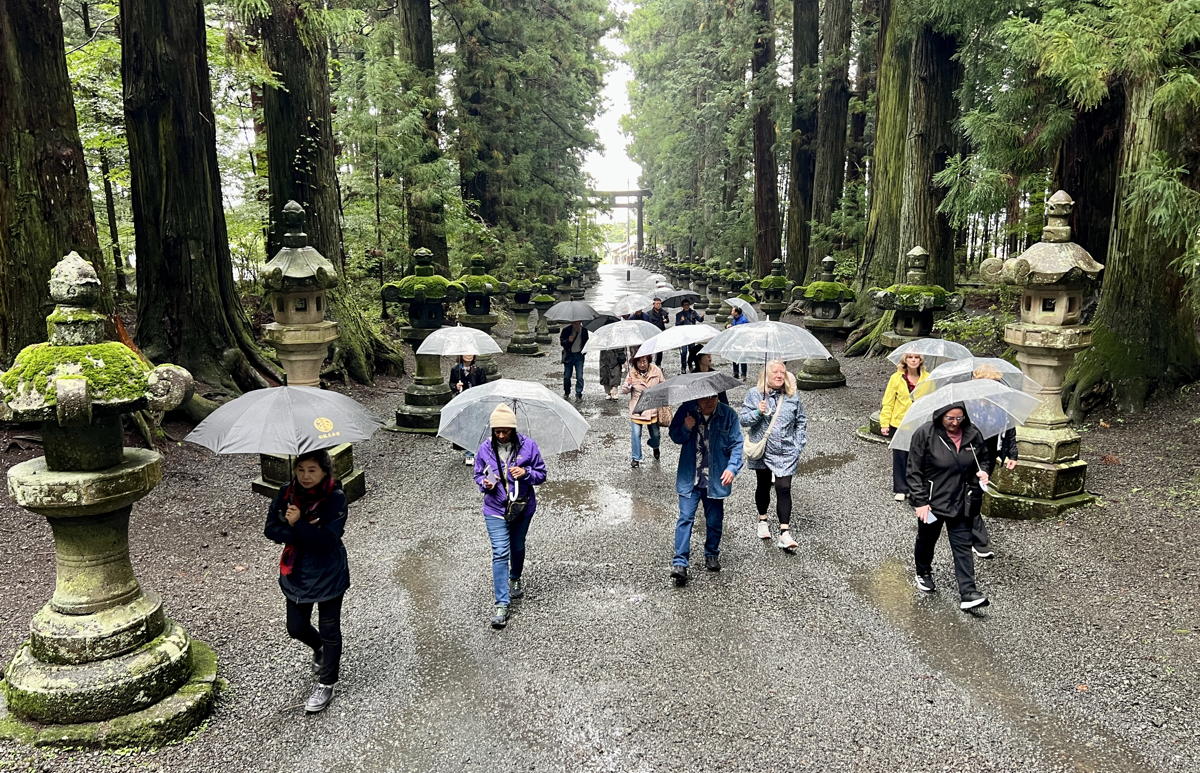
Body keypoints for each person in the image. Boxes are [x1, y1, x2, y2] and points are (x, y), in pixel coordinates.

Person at [263, 450, 349, 714]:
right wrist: (299, 528)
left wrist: (299, 525)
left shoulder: (335, 497)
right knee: (296, 627)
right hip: (297, 570)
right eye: (300, 469)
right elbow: (270, 529)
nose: (305, 476)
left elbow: (328, 541)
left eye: (312, 470)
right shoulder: (286, 493)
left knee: (329, 628)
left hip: (328, 570)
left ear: (324, 471)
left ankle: (326, 683)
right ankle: (319, 647)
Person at [906, 402, 993, 611]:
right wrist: (920, 501)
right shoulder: (925, 434)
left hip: (961, 500)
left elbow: (984, 459)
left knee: (963, 545)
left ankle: (968, 592)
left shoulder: (973, 434)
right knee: (927, 540)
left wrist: (984, 472)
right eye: (950, 418)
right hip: (932, 501)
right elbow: (913, 470)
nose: (955, 423)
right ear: (940, 416)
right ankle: (923, 572)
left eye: (959, 418)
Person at [473, 404, 548, 629]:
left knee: (517, 546)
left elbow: (542, 474)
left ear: (513, 430)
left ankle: (515, 577)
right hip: (495, 508)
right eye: (497, 431)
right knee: (499, 552)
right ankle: (501, 604)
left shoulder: (528, 446)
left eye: (505, 431)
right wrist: (484, 483)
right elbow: (478, 474)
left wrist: (526, 473)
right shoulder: (485, 448)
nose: (501, 436)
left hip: (522, 506)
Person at [668, 394, 744, 586]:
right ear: (697, 399)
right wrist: (686, 427)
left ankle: (711, 553)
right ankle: (680, 563)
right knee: (685, 518)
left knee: (714, 520)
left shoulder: (728, 415)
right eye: (704, 399)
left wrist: (732, 468)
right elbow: (675, 436)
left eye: (713, 397)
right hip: (690, 477)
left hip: (715, 478)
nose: (709, 401)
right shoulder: (686, 410)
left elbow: (737, 444)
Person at [739, 361, 808, 551]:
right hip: (763, 449)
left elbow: (801, 421)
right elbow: (743, 420)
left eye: (782, 372)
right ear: (766, 375)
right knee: (763, 484)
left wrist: (798, 445)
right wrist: (757, 412)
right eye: (775, 372)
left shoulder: (792, 396)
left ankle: (784, 533)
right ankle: (762, 519)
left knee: (784, 487)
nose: (779, 375)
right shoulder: (754, 394)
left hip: (786, 450)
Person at [969, 365, 1020, 560]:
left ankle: (973, 534)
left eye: (994, 383)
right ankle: (978, 539)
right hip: (968, 452)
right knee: (969, 492)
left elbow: (1009, 430)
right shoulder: (967, 403)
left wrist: (1012, 454)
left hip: (988, 454)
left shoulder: (1001, 405)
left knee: (976, 492)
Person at [880, 352, 929, 501]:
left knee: (918, 456)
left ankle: (915, 487)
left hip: (920, 423)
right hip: (900, 423)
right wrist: (884, 423)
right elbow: (888, 401)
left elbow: (932, 401)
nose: (913, 360)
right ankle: (901, 488)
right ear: (905, 360)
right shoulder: (896, 378)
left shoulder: (928, 378)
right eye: (910, 357)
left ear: (920, 360)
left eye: (916, 357)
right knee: (900, 456)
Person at [621, 354, 665, 468]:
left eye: (644, 361)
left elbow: (663, 385)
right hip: (637, 409)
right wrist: (628, 384)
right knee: (636, 434)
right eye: (639, 362)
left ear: (648, 360)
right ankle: (636, 458)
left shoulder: (656, 370)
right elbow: (624, 391)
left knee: (655, 435)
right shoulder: (631, 372)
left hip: (652, 407)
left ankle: (655, 446)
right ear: (635, 363)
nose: (642, 364)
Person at [449, 354, 486, 463]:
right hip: (462, 401)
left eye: (471, 353)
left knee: (475, 426)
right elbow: (451, 383)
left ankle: (474, 452)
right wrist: (456, 386)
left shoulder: (479, 369)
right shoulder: (456, 369)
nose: (469, 355)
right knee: (465, 426)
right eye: (466, 352)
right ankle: (469, 451)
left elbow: (484, 385)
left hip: (476, 401)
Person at [559, 320, 588, 400]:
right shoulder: (566, 330)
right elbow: (562, 342)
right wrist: (568, 340)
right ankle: (567, 391)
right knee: (567, 376)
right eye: (575, 323)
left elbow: (586, 342)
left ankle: (578, 393)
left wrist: (583, 352)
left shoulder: (584, 331)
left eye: (578, 323)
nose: (576, 325)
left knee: (579, 376)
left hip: (579, 356)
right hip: (569, 355)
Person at [674, 299, 704, 373]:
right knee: (684, 352)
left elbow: (699, 320)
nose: (686, 306)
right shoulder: (679, 314)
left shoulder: (693, 313)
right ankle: (683, 367)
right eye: (685, 305)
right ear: (682, 306)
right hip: (683, 336)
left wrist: (702, 317)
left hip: (691, 335)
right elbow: (676, 325)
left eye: (687, 305)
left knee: (692, 351)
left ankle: (690, 364)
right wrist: (681, 321)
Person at [643, 298, 670, 367]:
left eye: (660, 304)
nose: (659, 305)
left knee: (660, 349)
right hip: (652, 333)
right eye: (657, 304)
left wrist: (666, 320)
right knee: (651, 349)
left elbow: (667, 320)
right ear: (653, 304)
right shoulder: (648, 313)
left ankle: (658, 364)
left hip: (661, 332)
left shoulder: (663, 312)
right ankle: (649, 363)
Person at [725, 305, 750, 380]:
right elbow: (733, 326)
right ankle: (736, 373)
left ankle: (743, 374)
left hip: (742, 341)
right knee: (734, 357)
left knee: (742, 358)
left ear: (736, 312)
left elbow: (746, 331)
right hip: (735, 341)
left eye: (733, 311)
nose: (731, 312)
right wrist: (729, 326)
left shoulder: (743, 320)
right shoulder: (735, 319)